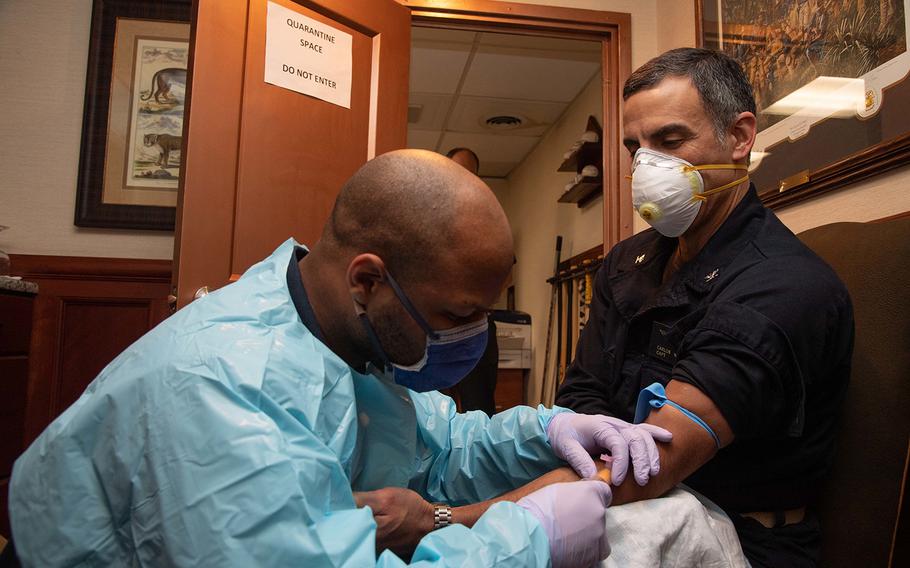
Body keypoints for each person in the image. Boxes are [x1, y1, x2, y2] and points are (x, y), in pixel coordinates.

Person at [10, 150, 671, 567]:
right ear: (368, 280)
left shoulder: (346, 336)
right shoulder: (221, 389)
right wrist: (526, 541)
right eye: (457, 316)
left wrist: (547, 430)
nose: (474, 338)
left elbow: (436, 446)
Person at [555, 48, 853, 567]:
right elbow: (583, 395)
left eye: (670, 141)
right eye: (636, 147)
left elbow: (656, 461)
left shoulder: (783, 284)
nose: (647, 167)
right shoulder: (628, 262)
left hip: (737, 538)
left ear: (739, 137)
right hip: (619, 501)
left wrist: (462, 519)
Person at [444, 146, 498, 415]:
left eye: (471, 174)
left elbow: (502, 273)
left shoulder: (488, 216)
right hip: (438, 325)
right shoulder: (428, 211)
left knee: (479, 408)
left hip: (477, 327)